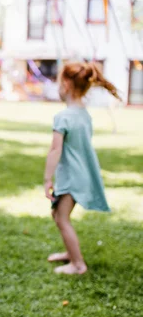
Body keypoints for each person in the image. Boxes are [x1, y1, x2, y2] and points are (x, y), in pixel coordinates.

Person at [44, 61, 120, 275]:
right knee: (58, 216)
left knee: (62, 218)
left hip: (71, 177)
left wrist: (47, 179)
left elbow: (54, 150)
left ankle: (78, 264)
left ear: (66, 85)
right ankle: (71, 253)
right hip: (81, 174)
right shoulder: (84, 114)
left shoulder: (63, 117)